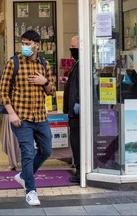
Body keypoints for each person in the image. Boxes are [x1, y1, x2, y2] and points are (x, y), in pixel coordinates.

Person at [0, 30, 56, 206]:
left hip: (40, 116)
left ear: (37, 45)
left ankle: (24, 176)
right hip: (21, 118)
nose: (24, 47)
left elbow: (52, 90)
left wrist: (44, 82)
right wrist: (12, 113)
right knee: (28, 153)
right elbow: (3, 91)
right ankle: (30, 191)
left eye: (28, 43)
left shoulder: (44, 64)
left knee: (46, 150)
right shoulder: (13, 63)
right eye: (22, 43)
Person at [63, 35, 81, 183]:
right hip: (74, 111)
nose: (71, 50)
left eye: (73, 47)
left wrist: (75, 106)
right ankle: (79, 170)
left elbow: (78, 90)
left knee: (77, 141)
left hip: (77, 112)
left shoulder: (81, 65)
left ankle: (80, 171)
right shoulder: (77, 64)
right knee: (75, 141)